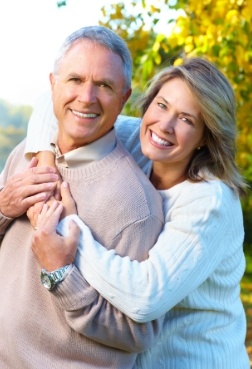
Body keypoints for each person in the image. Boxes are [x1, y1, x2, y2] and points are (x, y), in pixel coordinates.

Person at [25, 57, 250, 368]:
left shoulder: (209, 201)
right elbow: (50, 102)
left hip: (196, 360)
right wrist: (47, 169)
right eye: (161, 105)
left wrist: (69, 228)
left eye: (186, 119)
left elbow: (144, 298)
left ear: (206, 137)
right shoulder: (137, 140)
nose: (165, 125)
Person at [0, 26, 165, 369]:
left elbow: (137, 334)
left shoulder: (135, 204)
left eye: (104, 85)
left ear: (124, 96)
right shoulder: (24, 155)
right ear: (53, 84)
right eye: (75, 79)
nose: (86, 97)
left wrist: (60, 274)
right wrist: (3, 207)